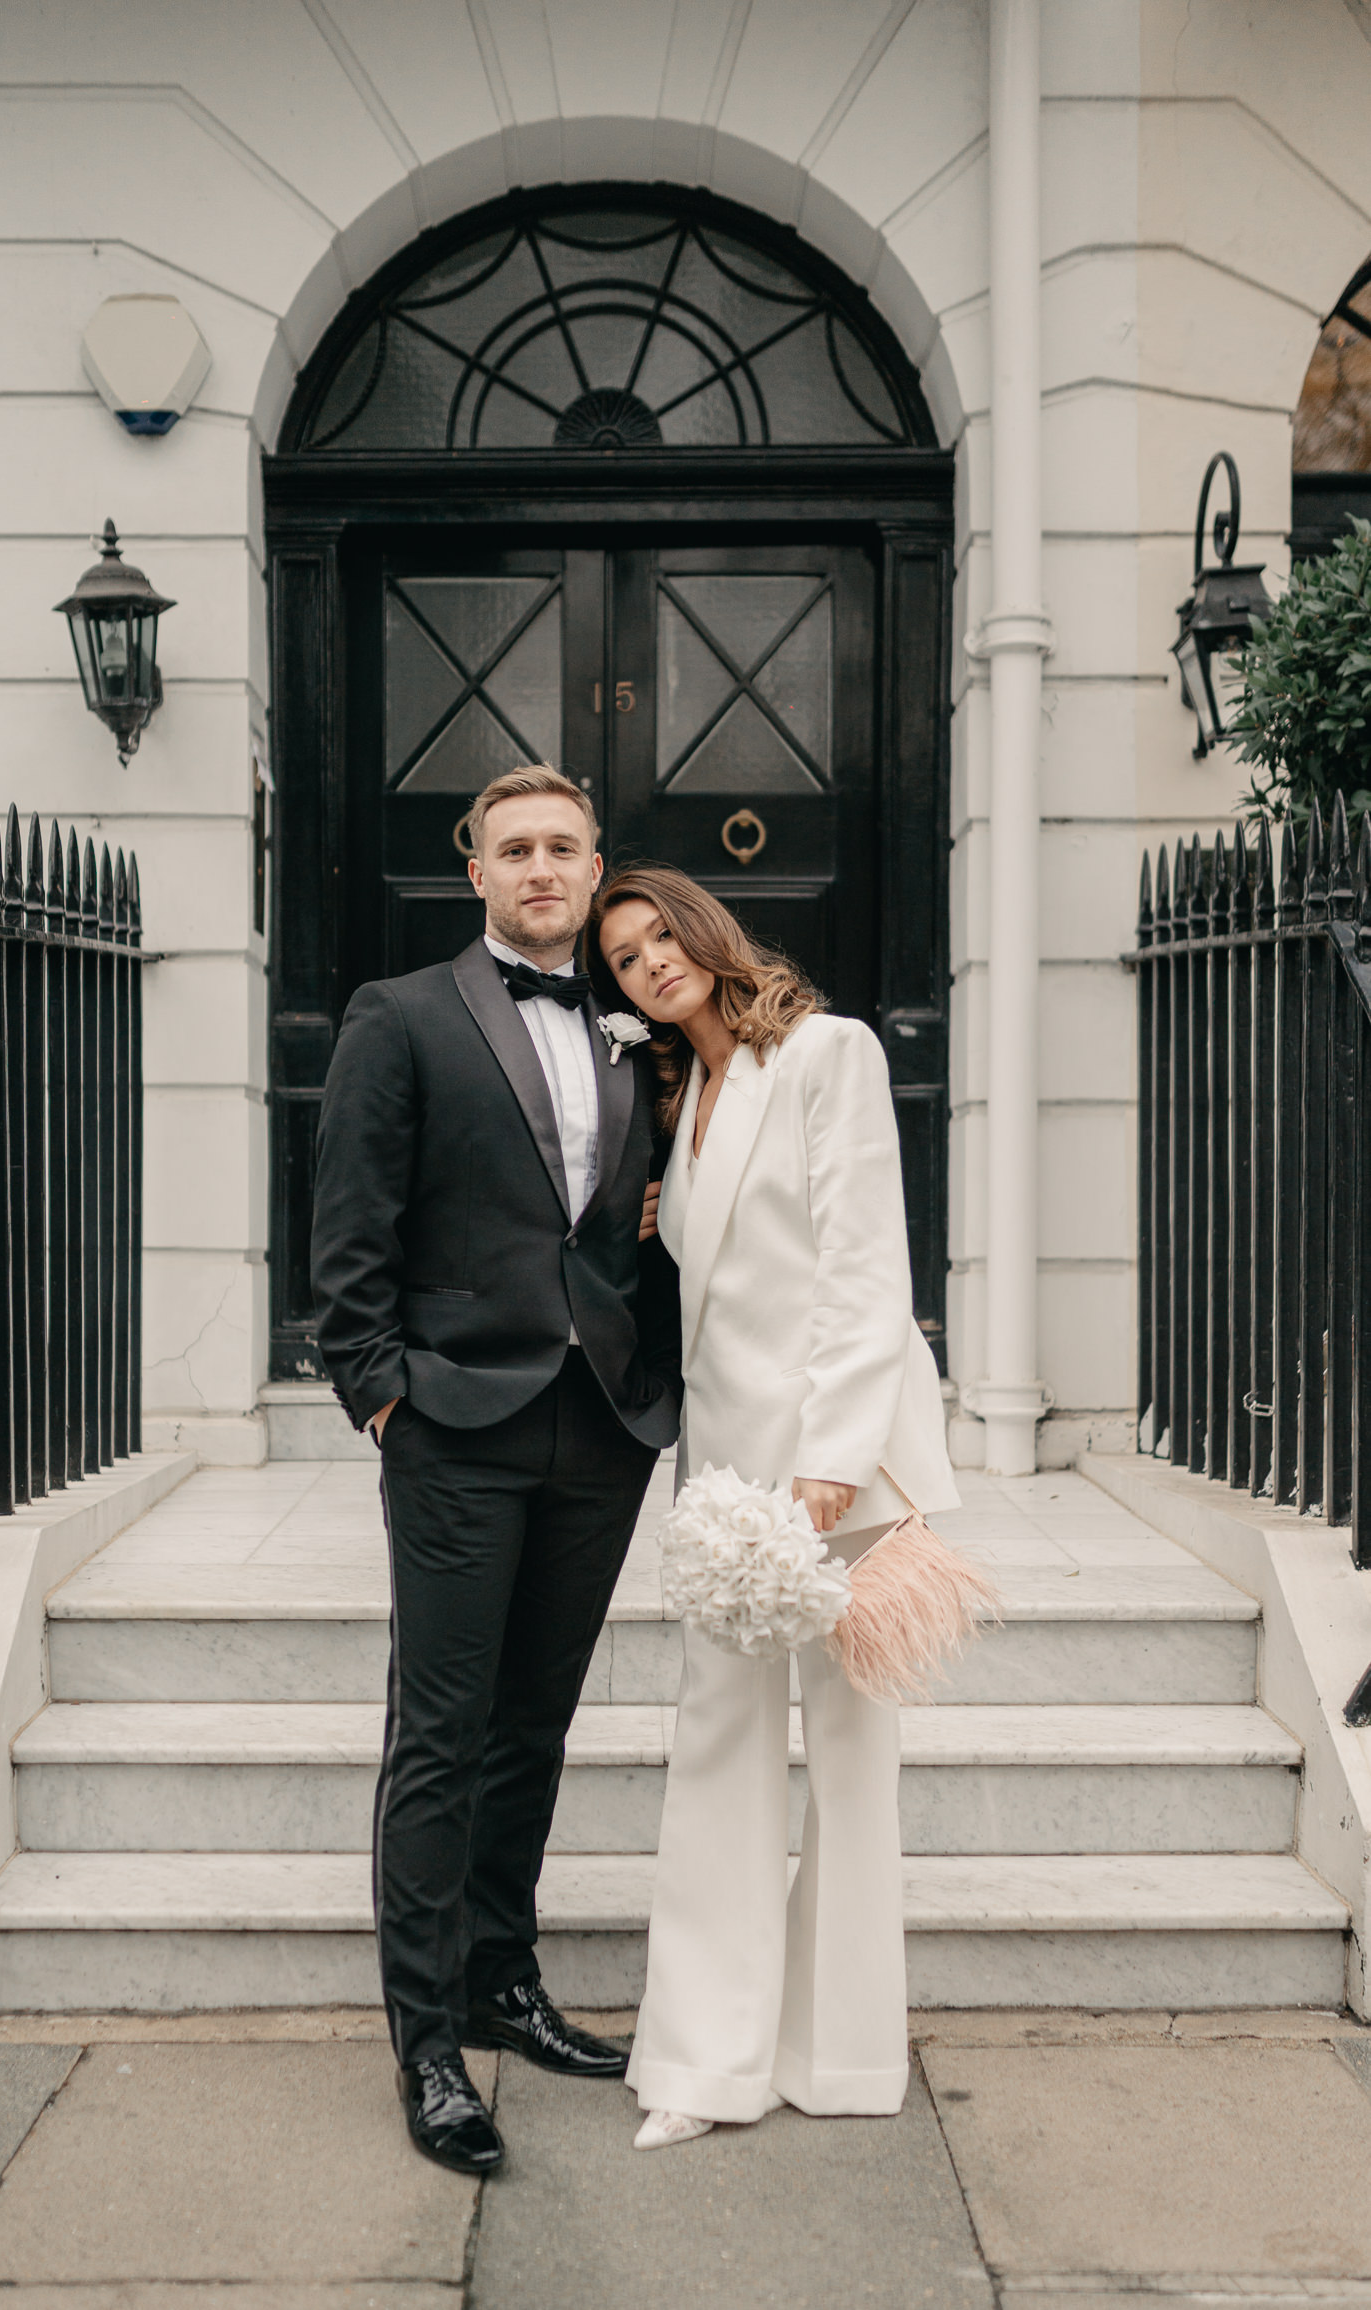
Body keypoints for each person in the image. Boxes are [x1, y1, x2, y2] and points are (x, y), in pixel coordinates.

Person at [310, 766, 681, 2178]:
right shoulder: (399, 1016)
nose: (541, 867)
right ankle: (426, 2040)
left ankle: (501, 1978)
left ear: (597, 871)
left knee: (535, 1723)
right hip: (453, 1423)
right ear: (478, 870)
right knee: (442, 1734)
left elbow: (649, 1223)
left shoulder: (643, 1030)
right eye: (514, 847)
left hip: (599, 1427)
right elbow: (348, 1226)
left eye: (564, 847)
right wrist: (381, 1396)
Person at [591, 863, 959, 2151]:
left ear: (708, 930)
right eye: (624, 957)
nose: (650, 963)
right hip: (727, 1482)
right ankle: (702, 2063)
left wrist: (832, 1471)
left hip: (832, 1473)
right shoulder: (678, 1098)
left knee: (853, 1768)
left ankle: (844, 2055)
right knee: (718, 1751)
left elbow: (868, 1271)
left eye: (661, 936)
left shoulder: (827, 1053)